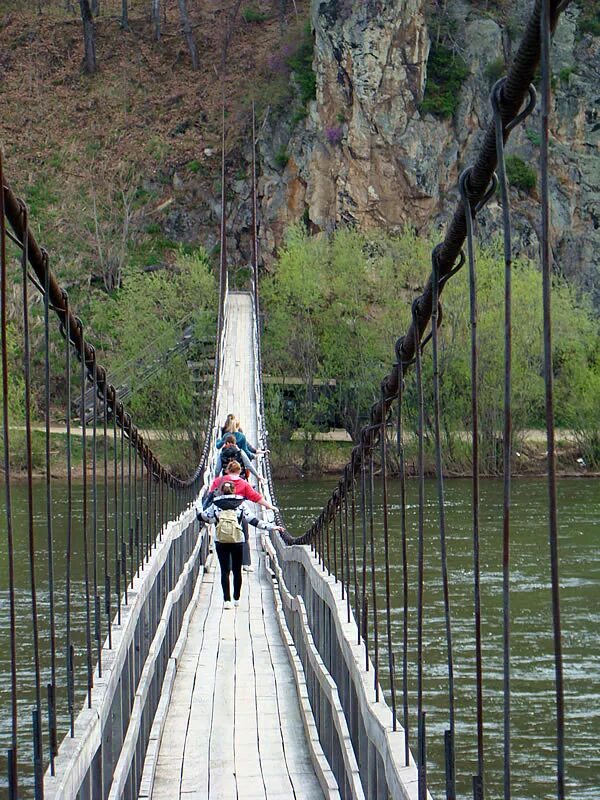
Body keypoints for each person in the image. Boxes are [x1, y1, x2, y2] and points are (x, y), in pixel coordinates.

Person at [198, 480, 284, 609]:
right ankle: (236, 598)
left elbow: (203, 517)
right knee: (237, 570)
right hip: (238, 540)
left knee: (225, 570)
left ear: (221, 491)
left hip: (221, 540)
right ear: (234, 490)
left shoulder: (216, 505)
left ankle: (227, 600)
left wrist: (199, 509)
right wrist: (272, 527)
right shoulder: (241, 504)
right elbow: (254, 521)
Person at [207, 460, 276, 571]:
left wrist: (204, 511)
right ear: (239, 471)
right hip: (240, 513)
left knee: (223, 537)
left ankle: (227, 565)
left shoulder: (218, 481)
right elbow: (256, 497)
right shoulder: (243, 483)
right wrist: (270, 506)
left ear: (227, 470)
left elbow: (210, 497)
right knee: (244, 537)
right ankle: (245, 563)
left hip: (220, 514)